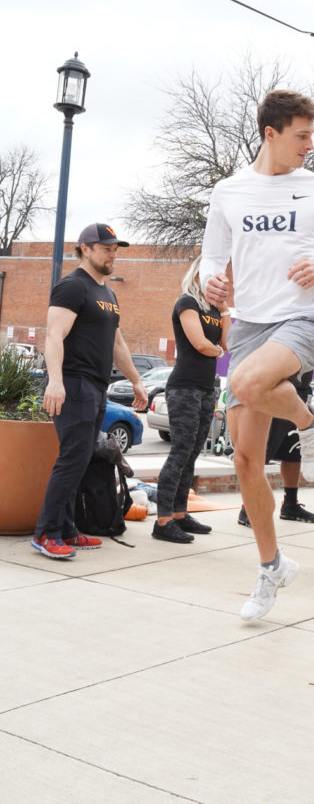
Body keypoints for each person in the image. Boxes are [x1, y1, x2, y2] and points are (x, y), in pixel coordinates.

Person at [200, 89, 314, 621]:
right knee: (246, 460)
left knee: (249, 385)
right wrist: (211, 283)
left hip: (304, 321)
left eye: (312, 135)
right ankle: (271, 567)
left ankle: (309, 416)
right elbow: (212, 257)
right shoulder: (229, 192)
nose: (310, 144)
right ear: (270, 134)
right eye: (301, 135)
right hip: (249, 325)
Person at [32, 223, 148, 559]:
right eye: (106, 248)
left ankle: (68, 530)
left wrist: (137, 380)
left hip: (97, 387)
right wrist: (55, 382)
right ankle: (46, 533)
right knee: (72, 459)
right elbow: (54, 335)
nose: (113, 254)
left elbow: (117, 342)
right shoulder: (72, 287)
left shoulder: (107, 294)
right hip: (73, 382)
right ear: (85, 248)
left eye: (115, 249)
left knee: (82, 459)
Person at [152, 256, 228, 543]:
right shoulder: (186, 303)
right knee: (180, 451)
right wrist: (217, 350)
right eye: (215, 278)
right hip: (184, 387)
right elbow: (200, 343)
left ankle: (180, 514)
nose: (220, 284)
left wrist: (226, 311)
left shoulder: (215, 310)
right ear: (200, 276)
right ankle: (162, 522)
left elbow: (226, 345)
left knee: (194, 451)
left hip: (207, 388)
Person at [237, 357, 314, 528]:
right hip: (274, 390)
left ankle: (290, 505)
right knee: (261, 452)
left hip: (301, 391)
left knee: (294, 451)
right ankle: (248, 508)